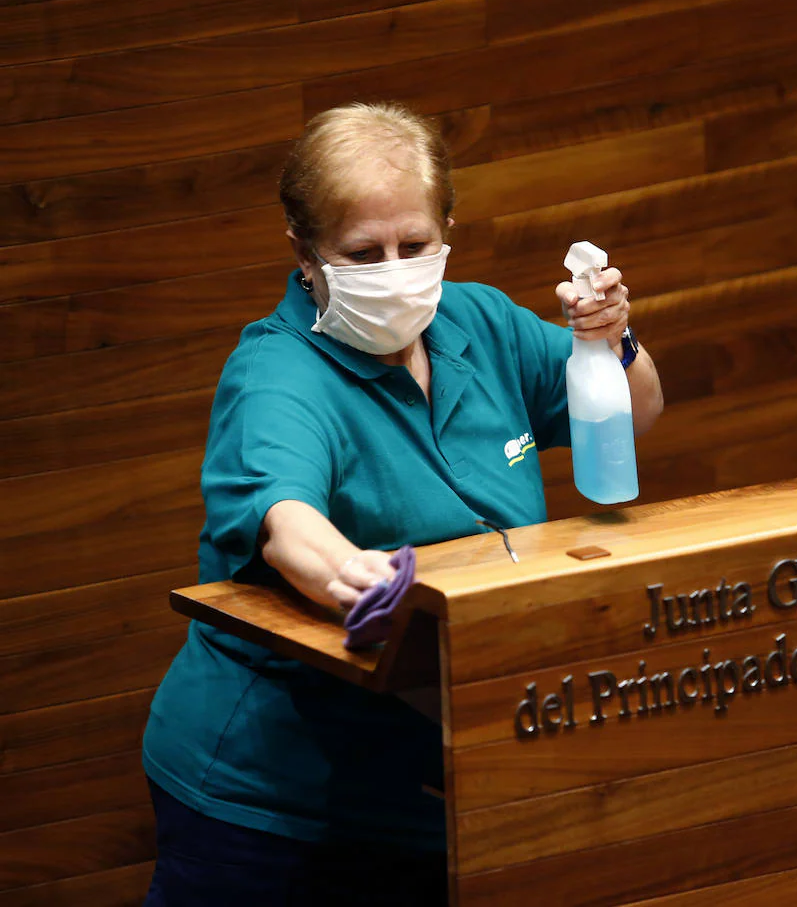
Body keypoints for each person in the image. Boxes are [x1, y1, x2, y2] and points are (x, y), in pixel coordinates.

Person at [141, 101, 663, 906]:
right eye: (362, 251)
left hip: (445, 767)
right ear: (304, 253)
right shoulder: (277, 374)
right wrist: (360, 576)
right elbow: (286, 525)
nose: (393, 268)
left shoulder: (481, 321)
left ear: (447, 228)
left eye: (414, 245)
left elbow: (638, 412)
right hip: (272, 801)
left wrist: (611, 339)